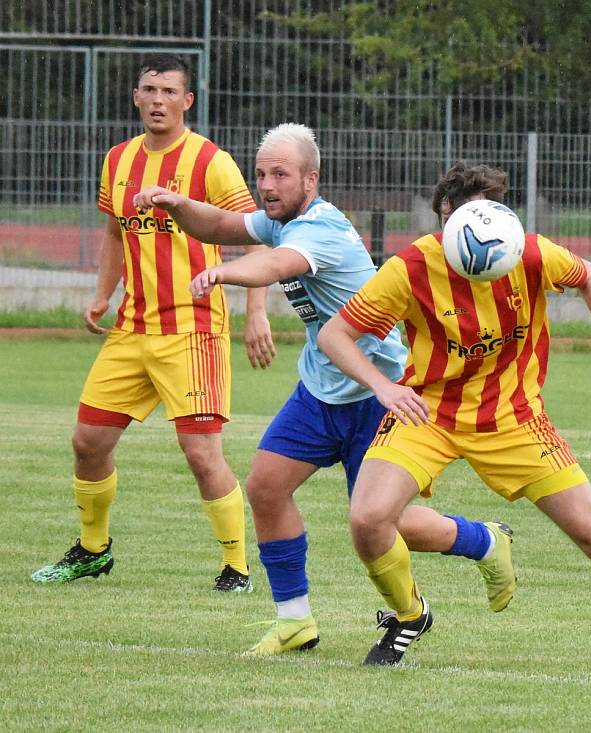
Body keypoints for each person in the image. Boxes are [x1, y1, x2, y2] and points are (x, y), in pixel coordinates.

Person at [317, 162, 591, 672]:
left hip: (515, 417)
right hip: (428, 412)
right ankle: (409, 615)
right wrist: (382, 386)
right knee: (368, 518)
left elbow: (590, 277)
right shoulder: (409, 269)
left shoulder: (528, 251)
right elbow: (333, 334)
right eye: (453, 222)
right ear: (441, 221)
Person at [132, 123, 517, 655]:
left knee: (389, 524)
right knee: (266, 487)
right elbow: (220, 223)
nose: (267, 185)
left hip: (377, 393)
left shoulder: (321, 230)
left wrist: (227, 275)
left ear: (310, 179)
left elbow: (278, 265)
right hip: (320, 389)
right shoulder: (279, 220)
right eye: (261, 173)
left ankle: (484, 541)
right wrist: (175, 202)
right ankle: (295, 622)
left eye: (280, 175)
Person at [31, 53, 273, 593]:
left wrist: (256, 313)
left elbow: (254, 234)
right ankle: (93, 550)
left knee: (200, 453)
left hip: (194, 331)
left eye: (169, 91)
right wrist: (100, 296)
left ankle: (236, 567)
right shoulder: (117, 159)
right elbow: (116, 233)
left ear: (187, 101)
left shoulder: (211, 161)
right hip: (131, 329)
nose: (158, 99)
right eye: (149, 90)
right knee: (88, 441)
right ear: (137, 98)